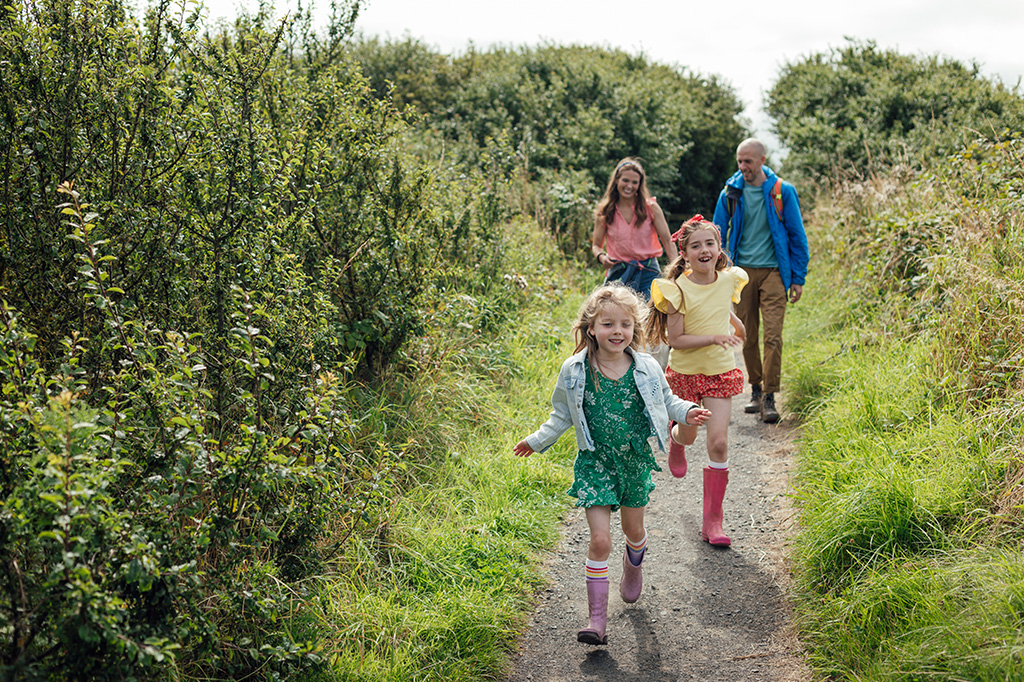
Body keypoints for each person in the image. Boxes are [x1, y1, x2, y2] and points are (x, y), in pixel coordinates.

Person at [514, 283, 710, 646]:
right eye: (607, 324)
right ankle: (597, 620)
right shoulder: (574, 370)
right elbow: (560, 417)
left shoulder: (647, 366)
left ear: (634, 330)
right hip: (595, 461)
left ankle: (634, 563)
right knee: (600, 540)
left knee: (633, 532)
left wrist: (689, 411)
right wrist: (536, 441)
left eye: (625, 324)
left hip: (634, 461)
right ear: (591, 328)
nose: (617, 331)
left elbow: (667, 400)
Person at [647, 216, 748, 546]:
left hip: (720, 371)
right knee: (689, 436)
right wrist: (714, 337)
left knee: (718, 443)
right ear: (684, 254)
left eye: (710, 243)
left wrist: (735, 327)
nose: (704, 250)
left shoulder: (729, 280)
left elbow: (721, 311)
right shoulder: (676, 290)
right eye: (695, 246)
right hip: (685, 376)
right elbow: (676, 340)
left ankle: (713, 523)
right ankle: (677, 440)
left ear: (719, 250)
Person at [712, 138, 808, 423]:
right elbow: (718, 233)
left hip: (775, 272)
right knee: (747, 335)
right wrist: (719, 271)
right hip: (741, 274)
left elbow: (796, 235)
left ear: (762, 160)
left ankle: (769, 395)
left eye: (748, 162)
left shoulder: (782, 191)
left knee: (773, 336)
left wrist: (798, 278)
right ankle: (755, 388)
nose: (743, 167)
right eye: (740, 162)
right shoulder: (731, 192)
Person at [592, 158, 679, 299]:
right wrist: (601, 257)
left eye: (634, 182)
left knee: (648, 313)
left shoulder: (650, 208)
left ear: (640, 184)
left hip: (648, 270)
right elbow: (596, 245)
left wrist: (676, 270)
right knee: (612, 312)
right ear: (616, 181)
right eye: (625, 180)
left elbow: (668, 241)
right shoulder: (605, 211)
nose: (629, 186)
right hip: (619, 271)